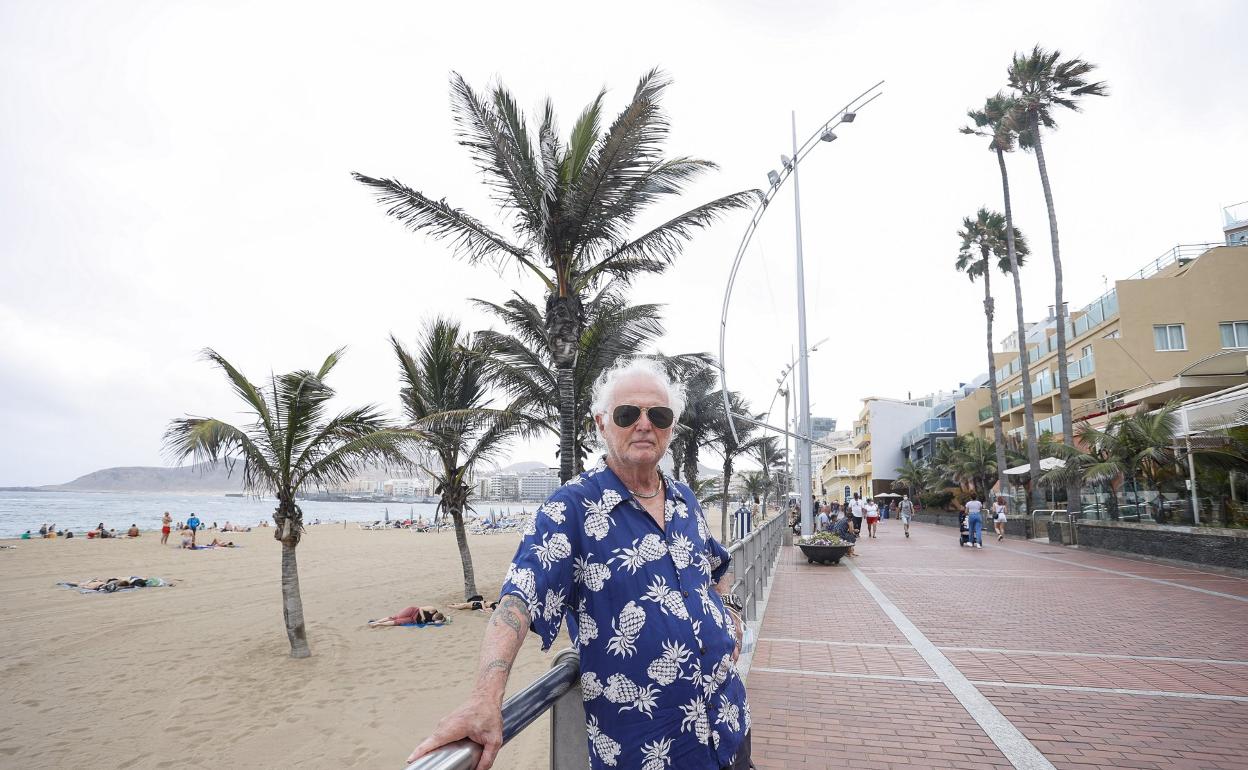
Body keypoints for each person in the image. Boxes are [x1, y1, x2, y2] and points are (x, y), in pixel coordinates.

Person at [408, 358, 751, 770]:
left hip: (729, 728)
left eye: (658, 415)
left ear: (671, 428)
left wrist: (728, 609)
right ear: (601, 423)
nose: (645, 424)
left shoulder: (685, 501)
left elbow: (716, 565)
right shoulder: (571, 508)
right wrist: (485, 698)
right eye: (628, 414)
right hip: (646, 753)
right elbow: (518, 601)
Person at [370, 606, 446, 627]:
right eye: (433, 618)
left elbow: (442, 621)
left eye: (434, 619)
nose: (432, 619)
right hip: (413, 610)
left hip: (412, 620)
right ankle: (376, 621)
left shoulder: (436, 619)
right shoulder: (433, 609)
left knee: (397, 622)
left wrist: (442, 620)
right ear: (435, 614)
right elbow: (420, 608)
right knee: (395, 617)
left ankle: (378, 624)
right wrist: (423, 617)